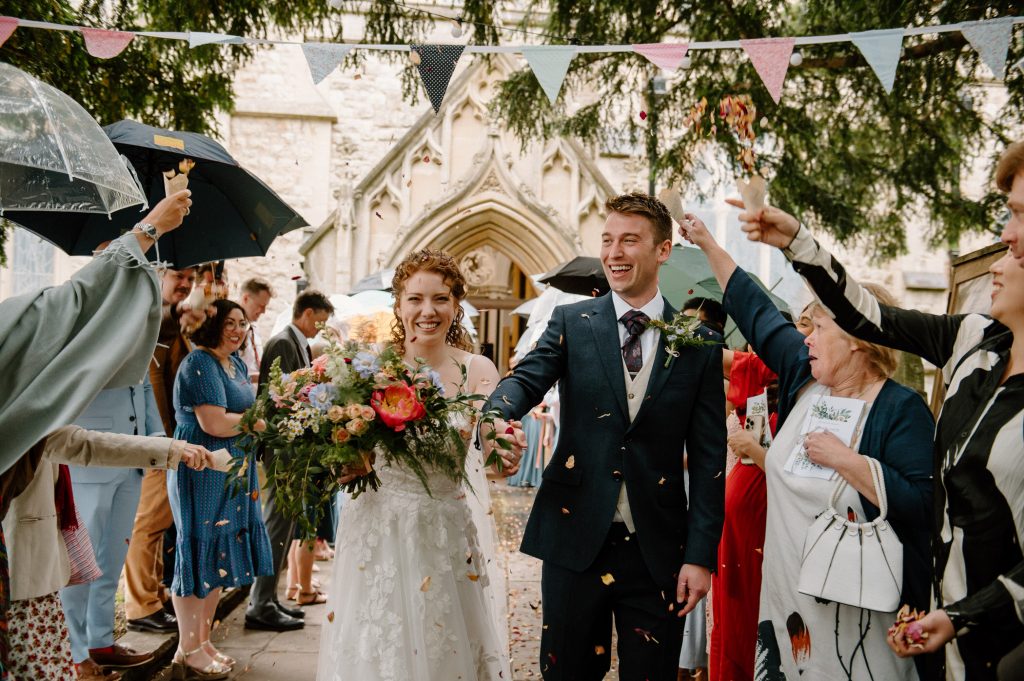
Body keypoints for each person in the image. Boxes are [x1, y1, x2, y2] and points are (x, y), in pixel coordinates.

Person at [735, 140, 1024, 680]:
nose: (1003, 242)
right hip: (933, 626)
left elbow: (919, 502)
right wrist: (798, 244)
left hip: (997, 641)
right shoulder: (973, 340)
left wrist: (965, 614)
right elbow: (871, 316)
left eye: (1017, 220)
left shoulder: (901, 408)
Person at [680, 212, 935, 680]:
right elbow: (754, 310)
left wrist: (849, 462)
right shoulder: (804, 378)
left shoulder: (901, 410)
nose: (806, 337)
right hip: (787, 608)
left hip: (860, 622)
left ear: (859, 338)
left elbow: (923, 507)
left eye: (819, 327)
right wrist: (707, 243)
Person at [484, 192, 727, 680]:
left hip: (658, 551)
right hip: (574, 541)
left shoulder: (697, 343)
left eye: (630, 240)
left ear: (662, 250)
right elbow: (525, 380)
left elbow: (708, 460)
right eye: (608, 240)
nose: (614, 253)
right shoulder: (572, 323)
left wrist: (700, 557)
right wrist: (496, 417)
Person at [0, 191, 192, 677]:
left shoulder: (34, 405)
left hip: (27, 580)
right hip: (19, 567)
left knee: (103, 558)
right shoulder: (25, 355)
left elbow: (74, 439)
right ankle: (84, 651)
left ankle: (93, 645)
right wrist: (148, 230)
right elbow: (72, 303)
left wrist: (167, 449)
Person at [316, 249, 518, 681]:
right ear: (399, 304)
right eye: (415, 299)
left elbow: (493, 459)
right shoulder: (369, 367)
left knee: (443, 640)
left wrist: (507, 452)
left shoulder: (478, 369)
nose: (428, 311)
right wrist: (343, 464)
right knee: (378, 642)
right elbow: (342, 450)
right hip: (377, 527)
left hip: (443, 528)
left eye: (441, 299)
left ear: (456, 304)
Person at [5, 421, 213, 681]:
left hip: (30, 576)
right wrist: (169, 449)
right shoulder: (19, 407)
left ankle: (95, 644)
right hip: (20, 575)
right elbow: (80, 443)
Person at [167, 299, 275, 679]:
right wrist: (260, 424)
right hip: (201, 465)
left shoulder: (238, 363)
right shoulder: (200, 362)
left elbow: (241, 412)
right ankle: (188, 647)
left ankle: (201, 642)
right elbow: (213, 422)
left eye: (242, 323)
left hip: (232, 467)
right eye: (229, 322)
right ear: (212, 325)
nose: (238, 329)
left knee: (217, 550)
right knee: (198, 547)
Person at [58, 381, 165, 680]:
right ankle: (75, 655)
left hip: (132, 458)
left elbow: (142, 385)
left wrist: (153, 436)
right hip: (90, 452)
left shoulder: (137, 334)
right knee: (79, 563)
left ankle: (101, 641)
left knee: (112, 557)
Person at [245, 290, 335, 632]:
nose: (322, 328)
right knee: (277, 523)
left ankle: (269, 598)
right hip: (282, 448)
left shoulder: (297, 342)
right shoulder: (283, 342)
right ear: (308, 314)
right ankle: (260, 603)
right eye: (322, 320)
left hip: (293, 447)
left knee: (284, 525)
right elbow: (277, 398)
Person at [124, 265, 203, 634]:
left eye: (190, 278)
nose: (185, 284)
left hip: (168, 439)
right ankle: (140, 607)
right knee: (148, 523)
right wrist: (177, 313)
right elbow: (158, 322)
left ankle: (154, 595)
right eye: (178, 276)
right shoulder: (149, 314)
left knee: (160, 522)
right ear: (159, 275)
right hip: (152, 439)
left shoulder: (176, 323)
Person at [237, 278, 274, 383]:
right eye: (261, 306)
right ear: (245, 298)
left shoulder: (255, 329)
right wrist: (263, 377)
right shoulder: (229, 331)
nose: (264, 311)